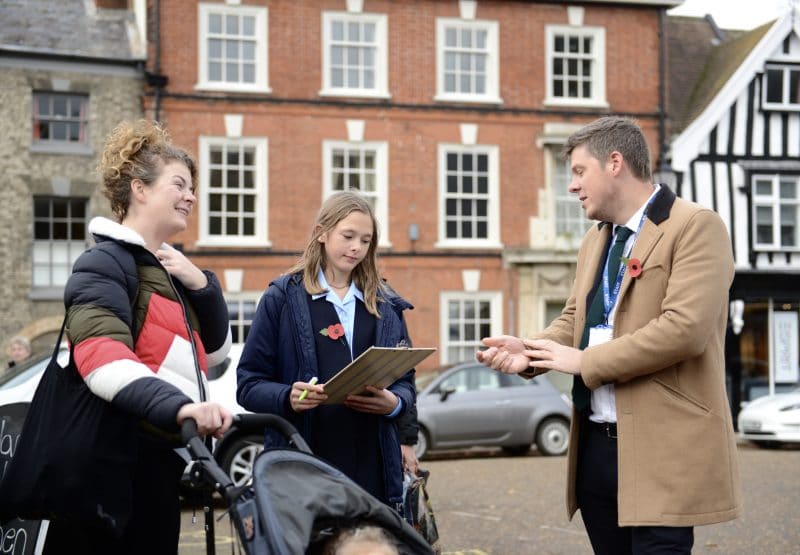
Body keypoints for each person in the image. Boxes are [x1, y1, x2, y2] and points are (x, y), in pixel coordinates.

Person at [476, 117, 741, 554]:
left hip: (663, 452)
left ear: (614, 162)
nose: (572, 187)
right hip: (597, 450)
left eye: (579, 172)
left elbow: (685, 330)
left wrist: (584, 362)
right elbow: (574, 319)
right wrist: (532, 350)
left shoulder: (696, 226)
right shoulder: (594, 241)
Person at [43, 120, 233, 554]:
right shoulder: (104, 263)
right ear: (140, 189)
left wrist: (202, 287)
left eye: (193, 188)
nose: (192, 196)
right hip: (108, 472)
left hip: (155, 467)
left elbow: (217, 357)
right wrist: (181, 407)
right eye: (180, 184)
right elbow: (102, 357)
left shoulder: (169, 272)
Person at [237, 191, 416, 510]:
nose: (356, 247)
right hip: (306, 471)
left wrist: (394, 404)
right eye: (348, 236)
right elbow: (249, 384)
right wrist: (286, 397)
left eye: (365, 240)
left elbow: (406, 382)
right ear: (321, 232)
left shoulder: (386, 303)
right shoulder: (282, 298)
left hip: (374, 474)